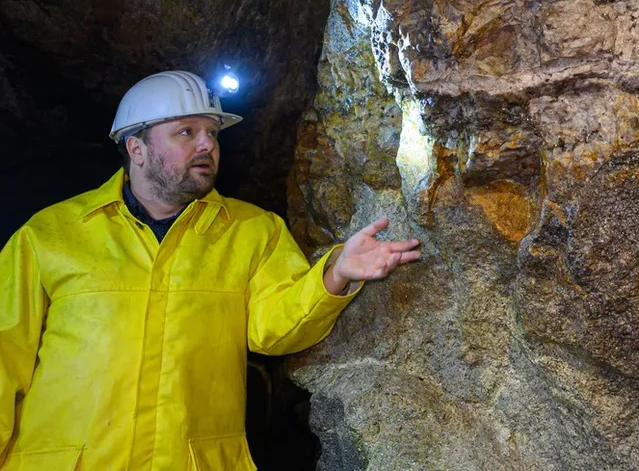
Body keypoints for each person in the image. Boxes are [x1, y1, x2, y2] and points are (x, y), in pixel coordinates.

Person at [0, 70, 421, 470]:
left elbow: (272, 330)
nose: (207, 145)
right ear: (136, 148)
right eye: (186, 132)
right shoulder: (51, 235)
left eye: (213, 133)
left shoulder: (253, 231)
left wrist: (335, 273)